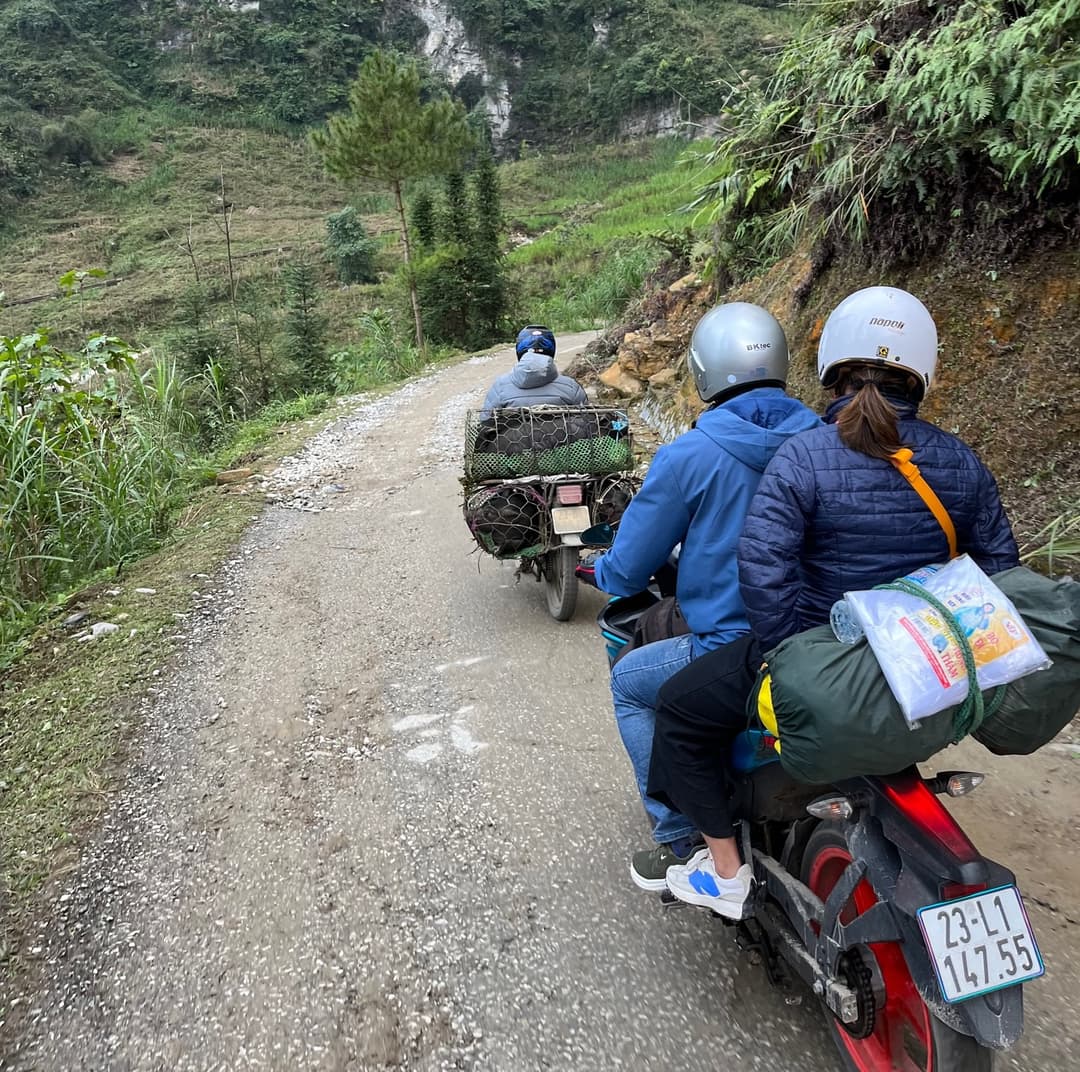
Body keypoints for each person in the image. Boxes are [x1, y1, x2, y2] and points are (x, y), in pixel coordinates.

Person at [649, 286, 1021, 918]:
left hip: (828, 658)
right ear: (921, 370)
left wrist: (791, 658)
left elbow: (763, 568)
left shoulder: (805, 455)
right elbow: (999, 575)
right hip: (925, 672)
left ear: (834, 366)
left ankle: (725, 870)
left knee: (676, 710)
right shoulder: (961, 463)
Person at [575, 303, 821, 891]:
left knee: (630, 685)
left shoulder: (690, 454)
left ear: (705, 370)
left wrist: (603, 572)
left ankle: (680, 838)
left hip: (734, 645)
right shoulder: (830, 437)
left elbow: (631, 567)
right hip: (822, 636)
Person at [481, 326, 588, 411]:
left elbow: (486, 420)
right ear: (551, 351)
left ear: (519, 351)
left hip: (514, 438)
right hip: (562, 438)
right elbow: (587, 421)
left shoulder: (500, 386)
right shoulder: (571, 387)